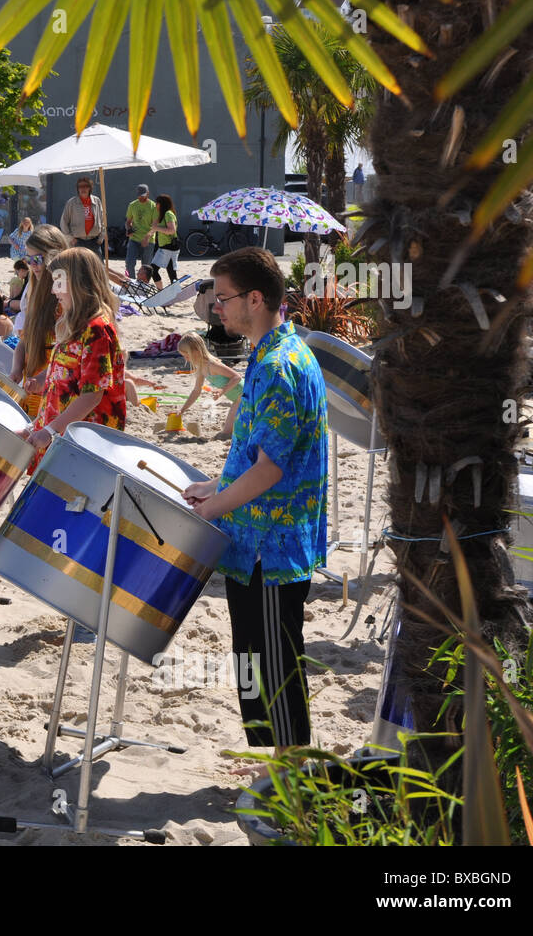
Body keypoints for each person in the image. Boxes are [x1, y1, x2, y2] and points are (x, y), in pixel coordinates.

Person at [180, 247, 328, 765]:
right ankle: (277, 772)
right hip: (266, 542)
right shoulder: (279, 353)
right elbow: (261, 453)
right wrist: (214, 484)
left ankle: (288, 780)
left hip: (270, 547)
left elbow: (271, 469)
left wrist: (213, 507)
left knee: (273, 663)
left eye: (222, 299)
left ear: (256, 299)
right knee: (261, 659)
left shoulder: (277, 366)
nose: (215, 309)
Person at [20, 247, 133, 465]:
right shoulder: (75, 326)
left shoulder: (97, 329)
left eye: (58, 283)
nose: (54, 291)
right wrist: (34, 427)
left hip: (81, 446)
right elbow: (64, 382)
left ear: (79, 283)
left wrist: (50, 431)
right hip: (59, 438)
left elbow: (92, 395)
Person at [9, 224, 68, 417]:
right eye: (28, 259)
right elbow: (25, 339)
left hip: (53, 391)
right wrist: (17, 368)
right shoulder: (33, 291)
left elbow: (67, 356)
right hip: (33, 388)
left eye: (38, 259)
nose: (32, 265)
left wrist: (43, 378)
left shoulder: (64, 298)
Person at [177, 331, 243, 439]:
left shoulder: (212, 365)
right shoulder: (201, 367)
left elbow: (237, 377)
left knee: (226, 433)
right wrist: (182, 410)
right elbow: (196, 391)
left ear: (197, 351)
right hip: (237, 399)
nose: (186, 359)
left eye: (187, 356)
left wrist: (222, 391)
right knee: (229, 431)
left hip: (244, 396)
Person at [58, 177, 106, 254]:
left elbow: (103, 219)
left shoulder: (97, 201)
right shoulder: (71, 203)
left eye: (86, 186)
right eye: (80, 186)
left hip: (94, 242)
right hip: (77, 242)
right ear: (78, 189)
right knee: (78, 265)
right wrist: (70, 239)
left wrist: (101, 237)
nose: (83, 189)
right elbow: (63, 222)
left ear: (90, 188)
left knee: (96, 265)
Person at [147, 194, 180, 287]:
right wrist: (148, 235)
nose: (155, 205)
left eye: (157, 203)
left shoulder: (168, 214)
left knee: (152, 270)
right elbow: (155, 227)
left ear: (162, 204)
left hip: (168, 247)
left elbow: (172, 230)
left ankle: (160, 291)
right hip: (167, 247)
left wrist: (157, 228)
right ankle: (175, 291)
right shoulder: (162, 214)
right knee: (171, 272)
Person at [125, 184, 156, 279]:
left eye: (143, 195)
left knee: (146, 267)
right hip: (134, 239)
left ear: (148, 194)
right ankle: (132, 284)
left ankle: (143, 287)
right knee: (129, 263)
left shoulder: (153, 206)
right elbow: (128, 222)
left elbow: (155, 226)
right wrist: (128, 229)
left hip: (148, 240)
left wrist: (147, 237)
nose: (141, 197)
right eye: (139, 195)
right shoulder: (132, 205)